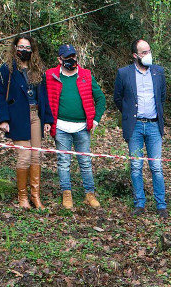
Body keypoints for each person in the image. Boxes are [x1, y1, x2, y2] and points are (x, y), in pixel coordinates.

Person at [0, 35, 53, 209]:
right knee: (24, 155)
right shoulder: (7, 69)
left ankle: (35, 196)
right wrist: (3, 119)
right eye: (21, 47)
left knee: (36, 155)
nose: (24, 51)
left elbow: (44, 96)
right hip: (17, 116)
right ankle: (22, 198)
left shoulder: (37, 69)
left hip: (36, 115)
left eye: (27, 48)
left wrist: (47, 119)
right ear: (15, 48)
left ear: (32, 50)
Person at [45, 44, 107, 210]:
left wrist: (95, 120)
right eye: (67, 58)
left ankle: (89, 194)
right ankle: (67, 194)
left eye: (73, 57)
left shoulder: (86, 75)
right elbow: (44, 99)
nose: (71, 61)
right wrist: (46, 120)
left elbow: (101, 98)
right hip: (61, 127)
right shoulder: (51, 75)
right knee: (63, 162)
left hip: (82, 127)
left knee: (85, 162)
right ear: (60, 59)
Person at [113, 39, 168, 218]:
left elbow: (162, 97)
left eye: (149, 51)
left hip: (153, 126)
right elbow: (118, 99)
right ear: (135, 55)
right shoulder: (124, 73)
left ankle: (161, 205)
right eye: (144, 52)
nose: (148, 55)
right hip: (135, 127)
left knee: (156, 167)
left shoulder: (158, 72)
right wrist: (129, 115)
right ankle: (140, 203)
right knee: (136, 165)